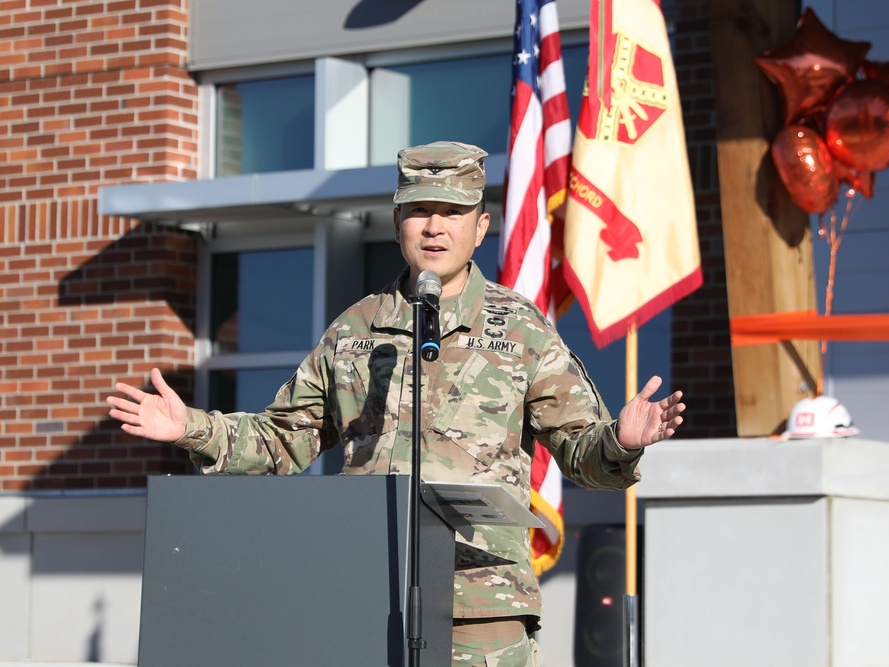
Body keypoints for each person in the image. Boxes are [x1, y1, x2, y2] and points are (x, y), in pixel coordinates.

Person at [107, 140, 686, 666]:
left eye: (453, 212)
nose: (435, 227)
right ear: (396, 222)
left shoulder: (521, 329)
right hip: (369, 587)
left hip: (481, 602)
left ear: (481, 227)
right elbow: (284, 440)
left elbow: (582, 454)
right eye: (419, 210)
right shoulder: (356, 329)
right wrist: (191, 427)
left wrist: (622, 442)